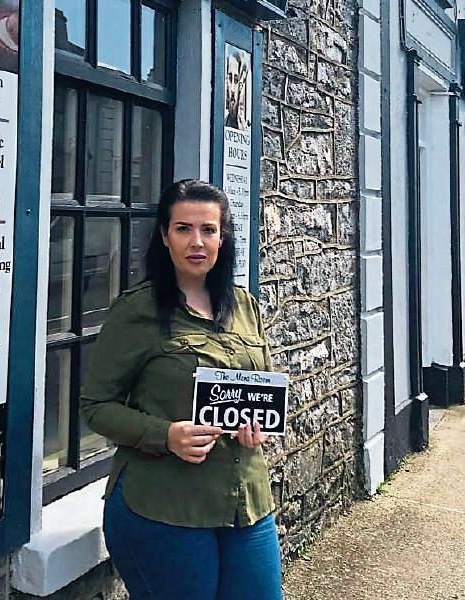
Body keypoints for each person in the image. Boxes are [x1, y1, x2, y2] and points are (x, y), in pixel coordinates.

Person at [80, 180, 282, 599]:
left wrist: (259, 424)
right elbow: (96, 406)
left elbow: (260, 384)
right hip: (164, 507)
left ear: (223, 238)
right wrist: (166, 435)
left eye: (209, 230)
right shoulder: (137, 311)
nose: (197, 241)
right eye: (183, 229)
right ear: (164, 236)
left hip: (244, 503)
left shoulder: (244, 306)